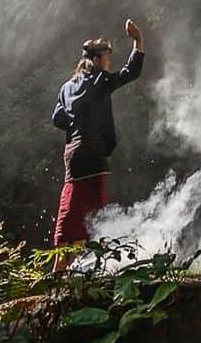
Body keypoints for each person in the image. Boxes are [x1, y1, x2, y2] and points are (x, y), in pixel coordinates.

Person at [50, 18, 145, 268]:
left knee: (71, 211)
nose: (108, 63)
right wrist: (138, 40)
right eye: (106, 58)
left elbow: (57, 118)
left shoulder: (67, 88)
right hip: (92, 155)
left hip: (72, 156)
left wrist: (76, 126)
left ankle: (60, 271)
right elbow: (130, 73)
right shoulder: (99, 80)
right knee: (93, 218)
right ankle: (80, 273)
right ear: (96, 60)